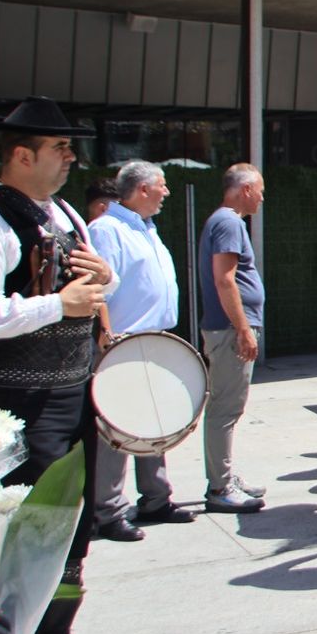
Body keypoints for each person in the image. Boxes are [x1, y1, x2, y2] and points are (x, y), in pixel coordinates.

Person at [0, 96, 121, 634]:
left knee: (74, 520)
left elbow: (92, 281)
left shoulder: (65, 213)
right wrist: (56, 304)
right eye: (60, 148)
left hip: (73, 390)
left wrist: (103, 278)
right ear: (22, 155)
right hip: (18, 401)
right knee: (25, 523)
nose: (71, 158)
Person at [87, 161, 196, 541]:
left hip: (153, 341)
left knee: (153, 423)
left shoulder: (144, 227)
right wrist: (106, 331)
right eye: (162, 185)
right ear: (142, 189)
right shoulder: (107, 229)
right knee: (116, 429)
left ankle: (155, 498)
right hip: (121, 342)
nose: (166, 192)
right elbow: (96, 284)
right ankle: (108, 509)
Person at [198, 163, 269, 513]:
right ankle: (220, 486)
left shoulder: (225, 221)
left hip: (228, 328)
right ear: (244, 189)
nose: (261, 198)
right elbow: (224, 279)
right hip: (229, 330)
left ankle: (223, 478)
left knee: (227, 407)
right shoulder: (228, 222)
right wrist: (243, 329)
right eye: (259, 190)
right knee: (225, 408)